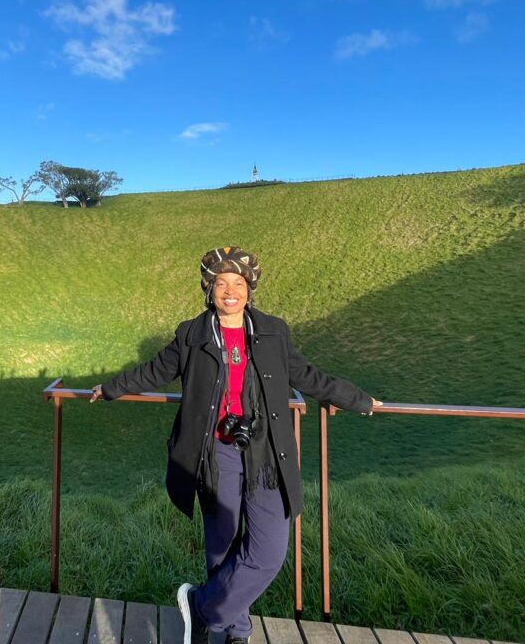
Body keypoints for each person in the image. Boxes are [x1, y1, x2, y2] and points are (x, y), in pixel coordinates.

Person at [90, 246, 382, 644]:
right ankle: (236, 631)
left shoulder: (273, 331)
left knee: (267, 553)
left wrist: (356, 399)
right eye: (221, 283)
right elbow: (156, 370)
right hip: (214, 454)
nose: (230, 291)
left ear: (250, 289)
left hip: (266, 455)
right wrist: (110, 388)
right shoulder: (191, 334)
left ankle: (202, 609)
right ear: (208, 290)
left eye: (239, 283)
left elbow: (306, 375)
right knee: (222, 547)